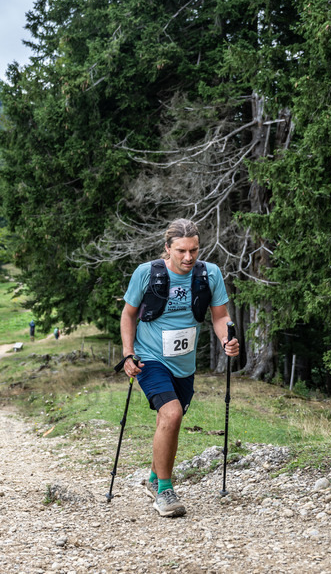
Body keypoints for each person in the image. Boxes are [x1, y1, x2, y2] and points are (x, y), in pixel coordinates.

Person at [120, 218, 240, 518]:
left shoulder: (209, 274)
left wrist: (228, 339)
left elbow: (220, 316)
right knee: (170, 414)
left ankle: (152, 477)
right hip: (150, 359)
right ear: (167, 249)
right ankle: (164, 491)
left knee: (172, 421)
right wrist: (128, 354)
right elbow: (128, 315)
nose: (189, 257)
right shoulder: (146, 274)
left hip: (184, 365)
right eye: (182, 251)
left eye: (194, 250)